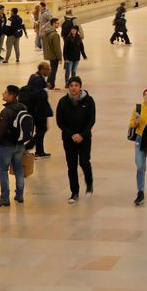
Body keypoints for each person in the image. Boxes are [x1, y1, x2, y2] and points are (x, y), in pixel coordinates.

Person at [0, 85, 33, 208]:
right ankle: (19, 195)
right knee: (18, 168)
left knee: (3, 170)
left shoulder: (6, 111)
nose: (3, 94)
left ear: (11, 96)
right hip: (19, 144)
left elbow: (2, 130)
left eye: (5, 92)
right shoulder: (22, 107)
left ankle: (4, 198)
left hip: (6, 145)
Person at [55, 75, 95, 203]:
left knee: (84, 161)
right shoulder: (63, 102)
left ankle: (89, 183)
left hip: (84, 138)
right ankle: (74, 192)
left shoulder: (89, 101)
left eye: (76, 85)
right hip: (69, 138)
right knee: (71, 166)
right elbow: (60, 121)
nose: (73, 88)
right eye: (71, 85)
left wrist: (82, 135)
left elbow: (91, 120)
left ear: (80, 87)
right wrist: (72, 134)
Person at [25, 62, 53, 157]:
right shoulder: (38, 80)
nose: (49, 71)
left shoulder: (34, 76)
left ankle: (40, 151)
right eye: (47, 69)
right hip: (39, 110)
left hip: (35, 109)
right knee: (42, 129)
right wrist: (46, 89)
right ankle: (29, 146)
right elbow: (36, 94)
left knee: (40, 130)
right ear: (42, 70)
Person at [41, 18, 62, 90]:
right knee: (53, 71)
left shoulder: (46, 33)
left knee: (51, 70)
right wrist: (60, 58)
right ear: (53, 24)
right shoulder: (55, 35)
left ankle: (49, 84)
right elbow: (57, 48)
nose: (58, 24)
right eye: (57, 23)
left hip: (49, 54)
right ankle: (51, 85)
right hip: (54, 56)